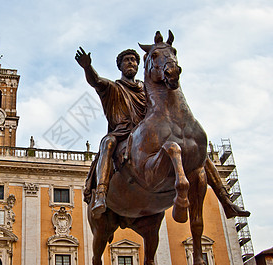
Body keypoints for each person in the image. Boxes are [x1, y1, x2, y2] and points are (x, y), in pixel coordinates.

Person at [75, 47, 250, 220]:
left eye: (134, 60)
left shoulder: (146, 89)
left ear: (138, 66)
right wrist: (87, 67)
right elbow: (96, 81)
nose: (131, 63)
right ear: (120, 66)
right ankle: (101, 194)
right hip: (123, 133)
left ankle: (226, 201)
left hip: (147, 134)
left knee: (198, 151)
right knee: (107, 143)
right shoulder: (113, 87)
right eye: (126, 60)